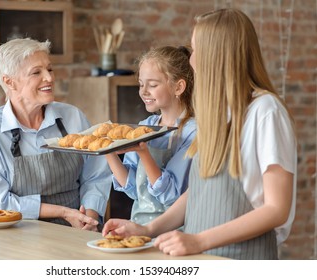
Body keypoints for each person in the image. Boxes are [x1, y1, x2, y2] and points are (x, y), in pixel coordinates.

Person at [102, 8, 297, 259]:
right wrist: (147, 229)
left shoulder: (265, 111)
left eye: (195, 51)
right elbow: (199, 193)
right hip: (203, 258)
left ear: (217, 54)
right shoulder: (218, 114)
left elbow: (276, 209)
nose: (191, 60)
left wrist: (199, 241)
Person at [0, 38, 112, 231]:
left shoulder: (73, 117)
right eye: (36, 72)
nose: (49, 78)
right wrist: (63, 212)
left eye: (50, 69)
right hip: (19, 234)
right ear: (9, 81)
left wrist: (89, 218)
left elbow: (96, 176)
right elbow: (0, 203)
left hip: (77, 230)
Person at [105, 46, 196, 225]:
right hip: (138, 225)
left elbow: (171, 196)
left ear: (178, 87)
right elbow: (132, 189)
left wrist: (144, 153)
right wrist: (107, 150)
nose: (144, 91)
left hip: (174, 231)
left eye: (153, 85)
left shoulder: (192, 132)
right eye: (141, 84)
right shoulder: (145, 126)